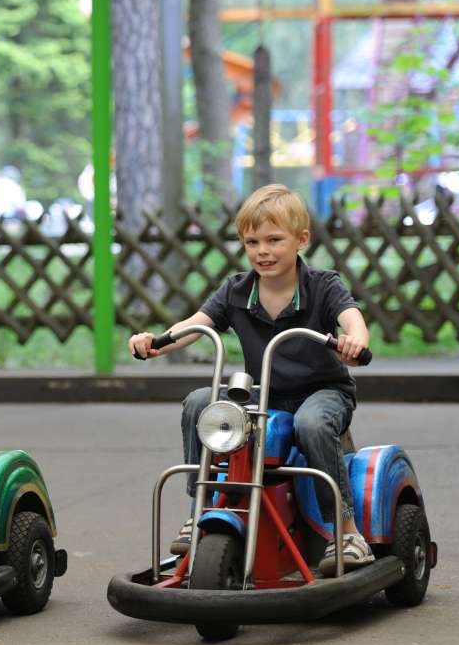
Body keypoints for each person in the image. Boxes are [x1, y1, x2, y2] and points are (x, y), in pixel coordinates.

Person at [128, 184, 373, 577]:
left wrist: (355, 342)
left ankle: (345, 531)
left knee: (311, 423)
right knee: (198, 403)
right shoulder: (237, 290)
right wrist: (158, 342)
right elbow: (196, 325)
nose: (263, 251)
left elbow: (352, 319)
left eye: (275, 240)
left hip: (322, 393)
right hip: (265, 398)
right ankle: (200, 510)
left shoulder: (324, 285)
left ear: (301, 240)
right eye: (252, 241)